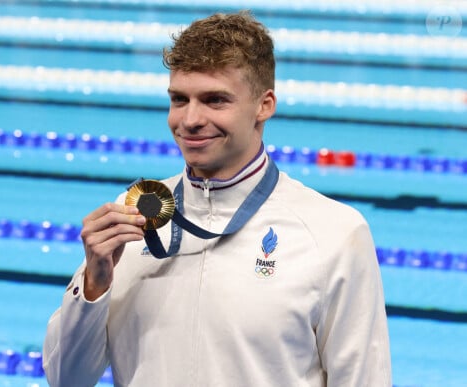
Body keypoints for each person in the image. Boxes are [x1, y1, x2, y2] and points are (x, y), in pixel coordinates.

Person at [42, 11, 392, 387]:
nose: (189, 120)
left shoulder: (332, 233)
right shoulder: (132, 216)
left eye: (214, 100)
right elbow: (67, 379)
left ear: (264, 105)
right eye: (179, 99)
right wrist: (95, 283)